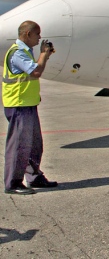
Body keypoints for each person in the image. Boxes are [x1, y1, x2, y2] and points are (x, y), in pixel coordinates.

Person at [3, 21, 57, 195]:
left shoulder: (25, 51)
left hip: (28, 104)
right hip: (19, 105)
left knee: (34, 144)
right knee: (20, 145)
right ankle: (13, 183)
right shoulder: (18, 53)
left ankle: (34, 177)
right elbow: (35, 72)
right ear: (27, 34)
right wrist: (44, 55)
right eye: (37, 34)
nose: (39, 37)